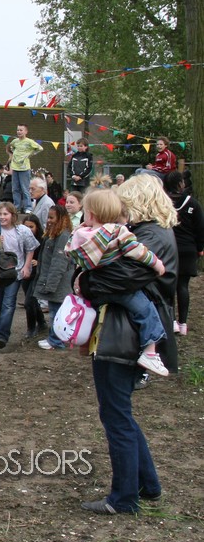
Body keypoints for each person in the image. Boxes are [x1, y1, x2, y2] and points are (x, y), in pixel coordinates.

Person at [73, 173, 178, 514]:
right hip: (124, 334)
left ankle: (124, 498)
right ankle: (147, 485)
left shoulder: (150, 237)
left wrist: (84, 281)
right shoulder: (146, 234)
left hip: (124, 338)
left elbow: (115, 279)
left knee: (116, 415)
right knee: (119, 414)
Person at [65, 188, 170, 375]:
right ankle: (150, 351)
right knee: (146, 310)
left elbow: (72, 255)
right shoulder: (118, 232)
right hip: (118, 289)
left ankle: (85, 342)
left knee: (93, 313)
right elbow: (139, 252)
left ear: (90, 214)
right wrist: (157, 264)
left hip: (96, 288)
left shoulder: (80, 234)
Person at [0, 201, 39, 349]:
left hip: (14, 272)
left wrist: (26, 266)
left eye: (5, 214)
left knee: (8, 303)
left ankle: (2, 335)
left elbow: (30, 248)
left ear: (12, 215)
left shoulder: (22, 231)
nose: (2, 217)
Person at [164, 171, 203, 336]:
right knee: (183, 286)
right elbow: (200, 228)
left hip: (168, 249)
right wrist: (200, 248)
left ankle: (172, 321)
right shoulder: (193, 203)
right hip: (188, 250)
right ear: (181, 183)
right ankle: (183, 324)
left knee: (169, 286)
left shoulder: (163, 203)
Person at [33, 206, 75, 349]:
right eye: (48, 217)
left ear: (61, 219)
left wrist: (50, 285)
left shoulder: (63, 236)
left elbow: (59, 262)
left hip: (59, 283)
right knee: (55, 311)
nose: (49, 220)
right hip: (55, 281)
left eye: (52, 217)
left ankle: (56, 341)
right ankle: (55, 338)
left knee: (57, 313)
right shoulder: (56, 234)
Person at [19, 213, 47, 339]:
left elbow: (47, 256)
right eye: (26, 227)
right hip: (25, 273)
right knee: (32, 300)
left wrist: (38, 262)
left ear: (37, 227)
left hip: (37, 273)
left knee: (29, 301)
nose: (29, 230)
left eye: (31, 227)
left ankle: (31, 328)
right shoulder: (20, 238)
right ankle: (42, 323)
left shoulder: (42, 240)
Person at [6, 124, 43, 213]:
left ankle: (28, 207)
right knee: (15, 189)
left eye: (21, 130)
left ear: (26, 131)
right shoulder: (15, 141)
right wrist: (14, 154)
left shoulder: (29, 141)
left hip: (24, 168)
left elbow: (40, 148)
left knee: (25, 188)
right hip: (15, 167)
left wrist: (30, 154)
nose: (19, 132)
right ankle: (17, 207)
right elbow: (10, 147)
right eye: (18, 130)